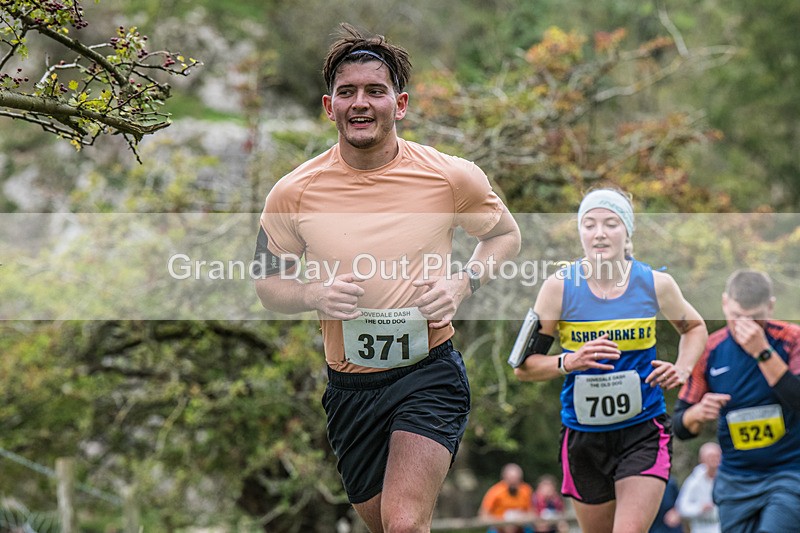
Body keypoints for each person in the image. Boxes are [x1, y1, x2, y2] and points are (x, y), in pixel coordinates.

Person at [254, 23, 521, 533]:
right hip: (349, 388)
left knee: (403, 524)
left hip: (428, 372)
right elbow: (266, 285)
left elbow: (505, 236)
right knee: (385, 526)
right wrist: (313, 293)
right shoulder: (293, 193)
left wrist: (463, 282)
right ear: (329, 107)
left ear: (398, 104)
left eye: (374, 91)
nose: (361, 103)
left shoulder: (449, 175)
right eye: (347, 92)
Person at [514, 188, 708, 533]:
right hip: (583, 437)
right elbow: (524, 367)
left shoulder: (654, 284)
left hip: (643, 430)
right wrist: (568, 361)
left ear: (627, 232)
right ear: (580, 233)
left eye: (611, 223)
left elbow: (694, 328)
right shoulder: (559, 288)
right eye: (589, 224)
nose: (599, 232)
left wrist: (681, 369)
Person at [673, 269, 800, 533]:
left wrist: (762, 352)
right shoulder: (709, 349)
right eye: (737, 317)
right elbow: (679, 426)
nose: (746, 326)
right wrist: (698, 412)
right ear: (724, 304)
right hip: (735, 481)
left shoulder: (791, 339)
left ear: (771, 307)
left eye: (755, 318)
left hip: (789, 472)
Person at [675, 442, 721, 533]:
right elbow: (681, 507)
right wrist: (700, 508)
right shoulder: (694, 480)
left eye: (717, 456)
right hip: (701, 529)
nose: (714, 460)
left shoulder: (727, 478)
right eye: (710, 456)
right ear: (702, 459)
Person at [479, 463, 535, 533]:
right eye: (511, 478)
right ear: (504, 477)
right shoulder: (495, 492)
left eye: (516, 479)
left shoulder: (526, 490)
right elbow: (483, 516)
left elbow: (532, 513)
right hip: (500, 528)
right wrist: (502, 521)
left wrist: (522, 518)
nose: (513, 482)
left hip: (520, 527)